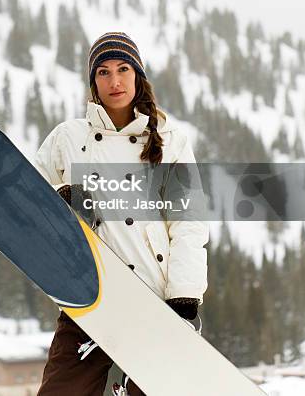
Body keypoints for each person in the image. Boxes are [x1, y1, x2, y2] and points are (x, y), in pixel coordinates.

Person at [34, 31, 209, 396]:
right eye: (103, 72)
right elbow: (29, 198)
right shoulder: (68, 138)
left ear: (137, 75)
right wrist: (63, 198)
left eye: (123, 69)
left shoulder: (168, 139)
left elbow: (188, 222)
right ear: (93, 82)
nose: (114, 81)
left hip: (154, 299)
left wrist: (184, 295)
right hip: (89, 299)